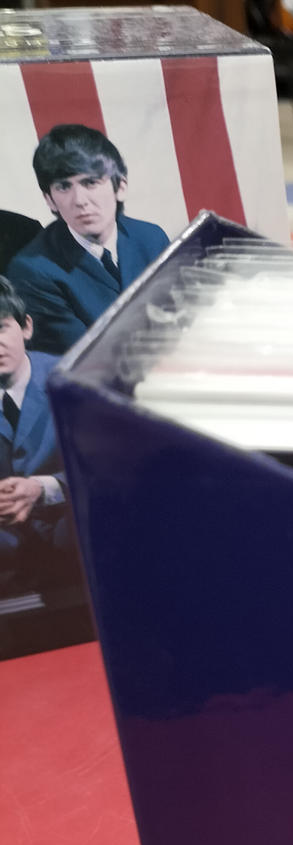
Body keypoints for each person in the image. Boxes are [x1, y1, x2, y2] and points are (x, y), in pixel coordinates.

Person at [7, 124, 169, 356]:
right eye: (64, 187)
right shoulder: (32, 272)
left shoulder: (150, 237)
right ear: (50, 200)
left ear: (120, 187)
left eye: (90, 182)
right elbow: (86, 360)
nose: (80, 200)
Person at [0, 276, 72, 592]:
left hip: (74, 534)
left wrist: (42, 488)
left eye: (1, 328)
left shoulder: (72, 380)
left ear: (26, 327)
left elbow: (111, 467)